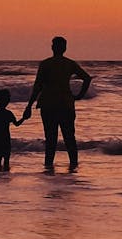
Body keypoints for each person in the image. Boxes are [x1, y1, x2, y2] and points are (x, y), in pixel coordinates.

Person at [21, 36, 92, 171]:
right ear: (65, 48)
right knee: (69, 138)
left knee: (50, 140)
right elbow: (87, 78)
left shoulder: (45, 64)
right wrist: (79, 96)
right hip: (66, 105)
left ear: (52, 47)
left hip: (48, 105)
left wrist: (29, 106)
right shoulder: (70, 64)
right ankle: (73, 167)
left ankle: (49, 168)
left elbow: (38, 86)